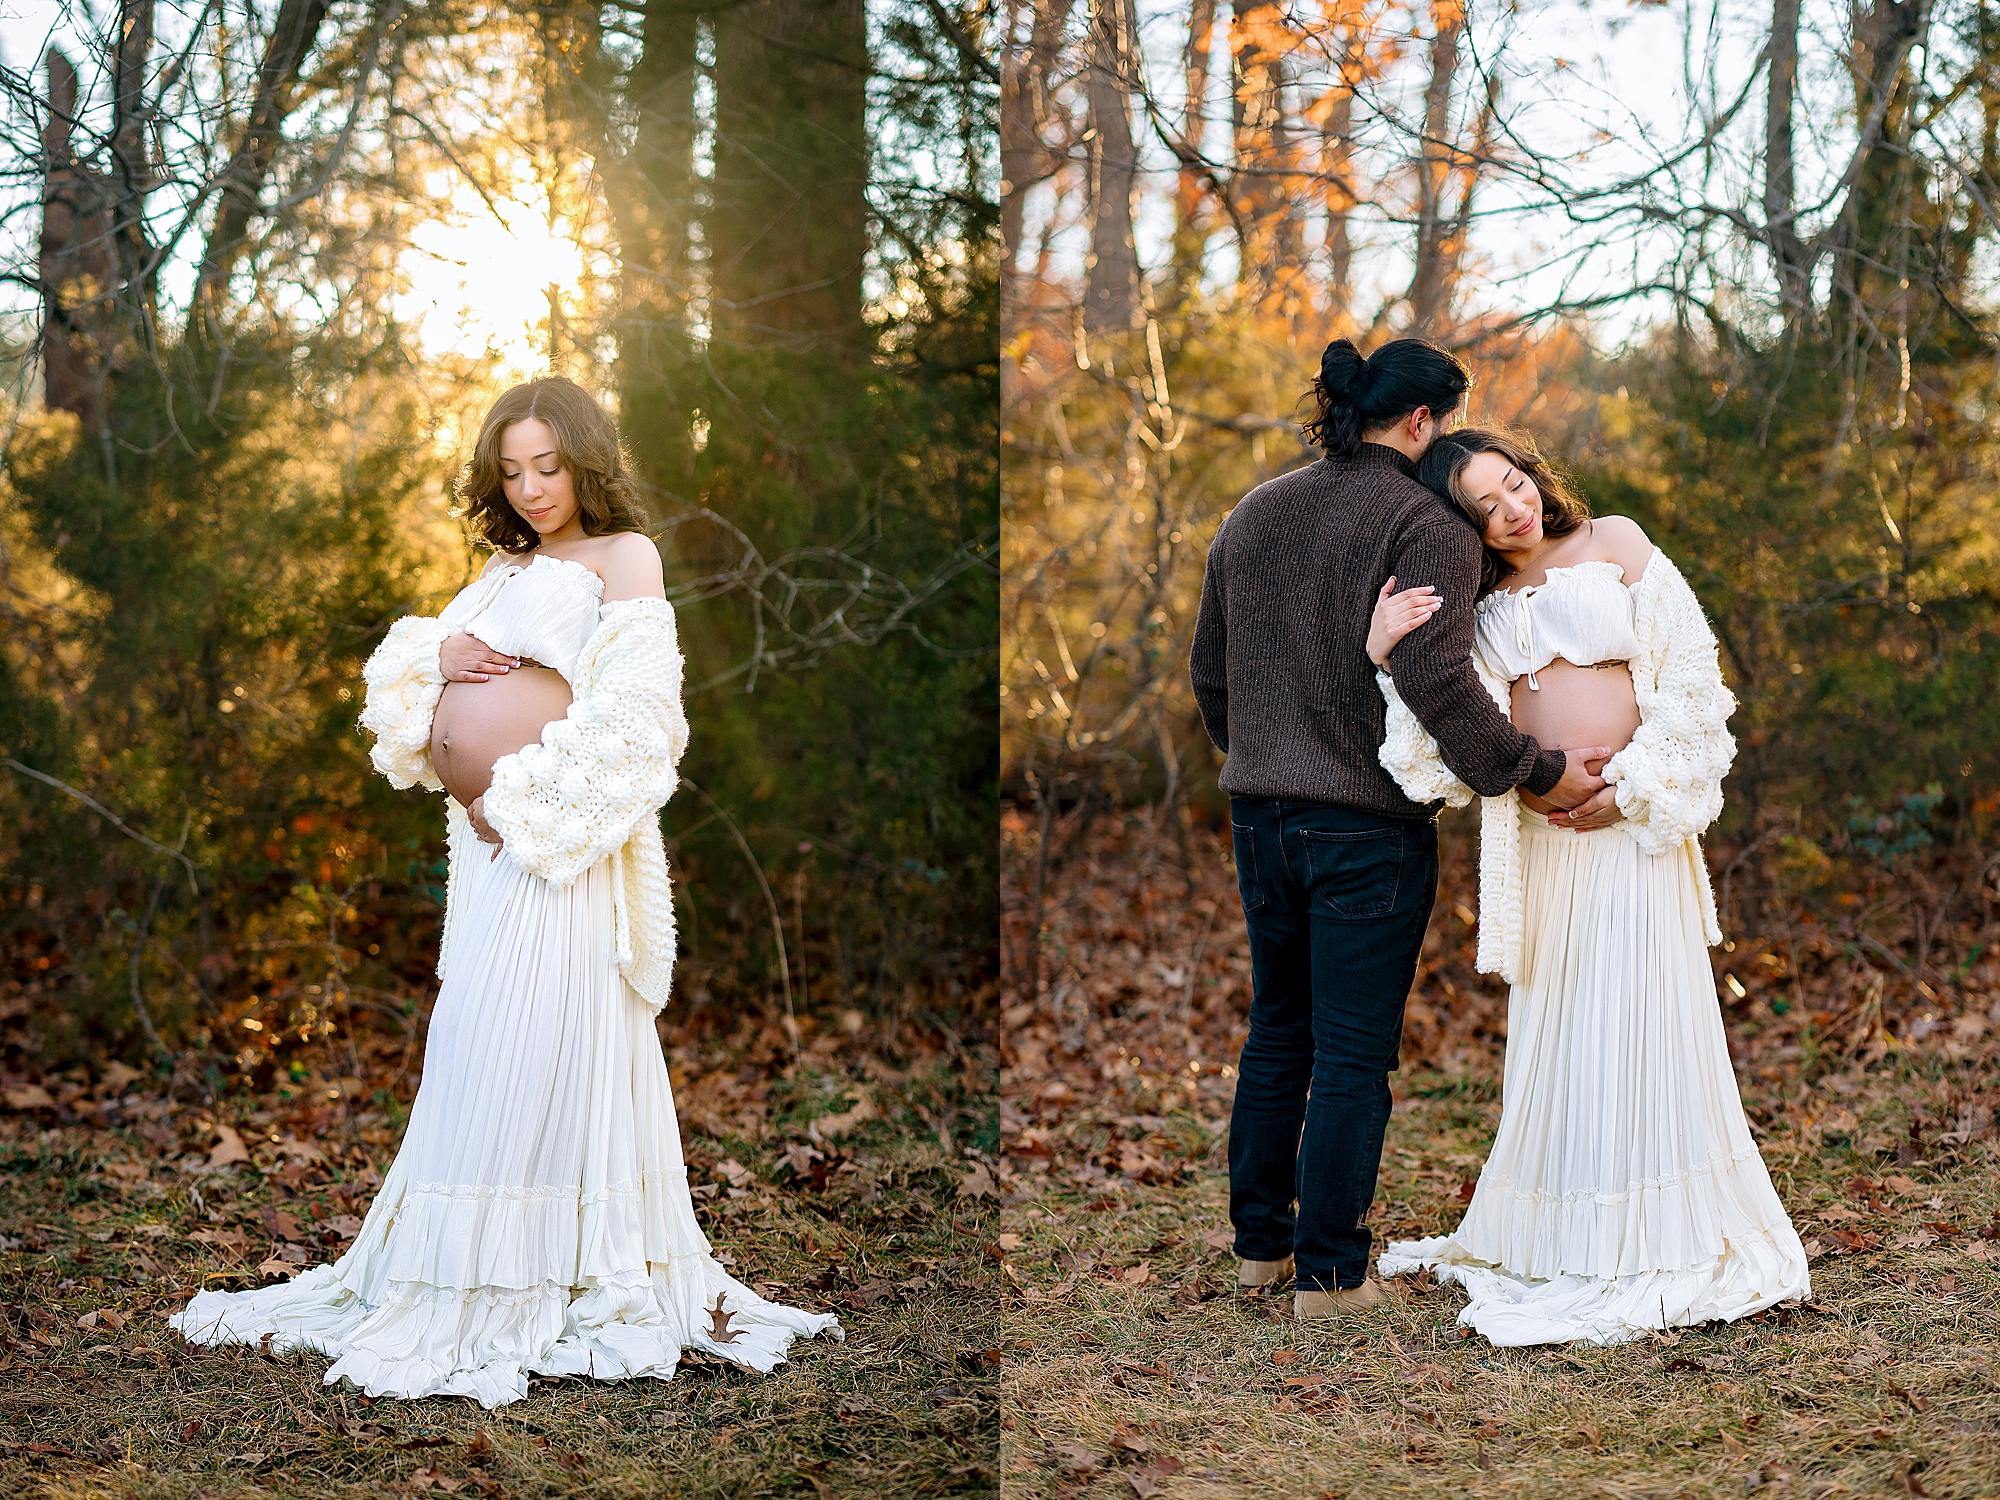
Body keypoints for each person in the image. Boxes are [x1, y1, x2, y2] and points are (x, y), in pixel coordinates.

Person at [169, 377, 841, 1405]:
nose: (531, 488)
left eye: (549, 466)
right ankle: (450, 1269)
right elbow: (403, 683)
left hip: (552, 856)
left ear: (584, 461)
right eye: (513, 471)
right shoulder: (500, 570)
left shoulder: (625, 558)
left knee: (528, 1050)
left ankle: (537, 1274)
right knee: (475, 1044)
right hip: (485, 872)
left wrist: (522, 802)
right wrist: (435, 653)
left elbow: (640, 719)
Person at [1187, 338, 1608, 1321]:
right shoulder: (1423, 522)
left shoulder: (1251, 513)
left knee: (1276, 1031)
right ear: (1420, 422)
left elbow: (1211, 674)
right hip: (1363, 826)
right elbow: (1431, 675)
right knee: (1347, 1052)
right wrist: (1529, 771)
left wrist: (1261, 753)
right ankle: (1329, 1281)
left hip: (1259, 813)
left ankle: (1261, 1251)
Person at [1365, 425, 1810, 1345]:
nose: (1511, 510)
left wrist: (1635, 785)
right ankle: (1567, 1227)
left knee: (1638, 1013)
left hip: (1630, 825)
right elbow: (1444, 725)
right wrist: (1384, 658)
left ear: (1534, 475)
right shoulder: (1474, 599)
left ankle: (1656, 1231)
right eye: (1484, 508)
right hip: (1546, 835)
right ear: (1465, 528)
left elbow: (1691, 676)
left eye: (1514, 485)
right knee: (1565, 1022)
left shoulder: (1615, 541)